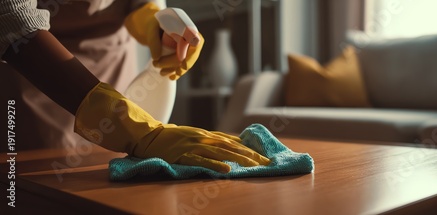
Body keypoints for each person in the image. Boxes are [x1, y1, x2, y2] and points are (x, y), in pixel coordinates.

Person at [0, 0, 270, 173]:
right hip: (35, 79)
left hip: (114, 73)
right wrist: (133, 128)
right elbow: (13, 21)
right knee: (46, 186)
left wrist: (154, 20)